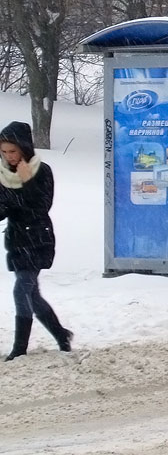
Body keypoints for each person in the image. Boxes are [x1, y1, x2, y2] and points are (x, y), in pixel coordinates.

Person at [0, 121, 72, 360]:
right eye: (4, 151)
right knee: (32, 295)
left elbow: (41, 207)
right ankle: (62, 335)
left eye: (13, 151)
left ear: (24, 149)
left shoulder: (42, 170)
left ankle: (20, 349)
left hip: (37, 238)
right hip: (16, 240)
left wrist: (26, 182)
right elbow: (4, 209)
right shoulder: (2, 175)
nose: (8, 156)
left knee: (22, 289)